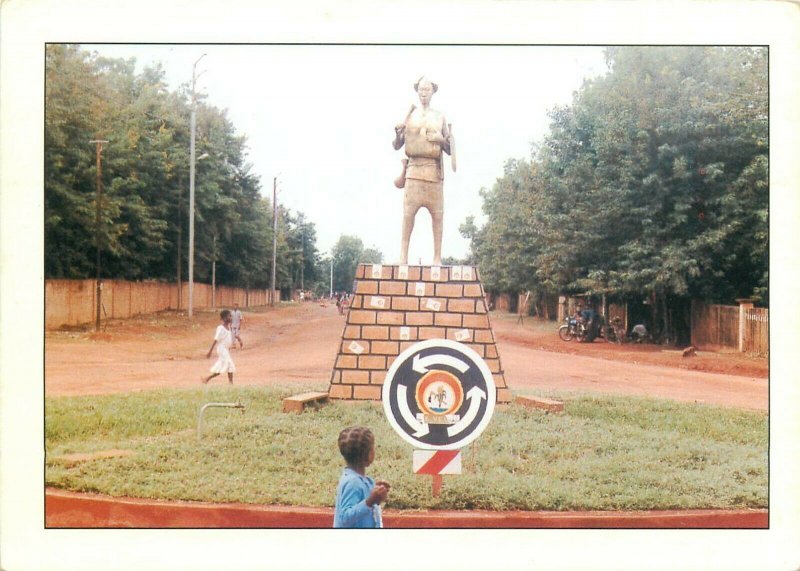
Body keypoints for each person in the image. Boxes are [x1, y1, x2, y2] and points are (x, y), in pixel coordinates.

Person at [393, 76, 453, 266]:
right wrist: (397, 133)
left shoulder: (440, 116)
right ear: (417, 91)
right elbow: (397, 145)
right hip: (413, 171)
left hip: (433, 172)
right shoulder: (409, 115)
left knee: (437, 217)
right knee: (408, 215)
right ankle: (403, 256)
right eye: (421, 89)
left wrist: (441, 139)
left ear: (433, 91)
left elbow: (451, 149)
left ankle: (437, 257)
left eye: (427, 89)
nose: (424, 92)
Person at [333, 426, 390, 528]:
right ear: (368, 455)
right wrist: (370, 501)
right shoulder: (353, 483)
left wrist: (378, 492)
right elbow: (344, 518)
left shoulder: (362, 480)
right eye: (373, 448)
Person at [201, 309, 235, 385]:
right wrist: (210, 351)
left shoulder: (229, 327)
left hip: (225, 349)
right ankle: (231, 384)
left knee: (224, 365)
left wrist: (229, 347)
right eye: (229, 316)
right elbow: (216, 340)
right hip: (222, 349)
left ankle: (207, 379)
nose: (231, 318)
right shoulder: (221, 328)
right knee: (229, 364)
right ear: (225, 318)